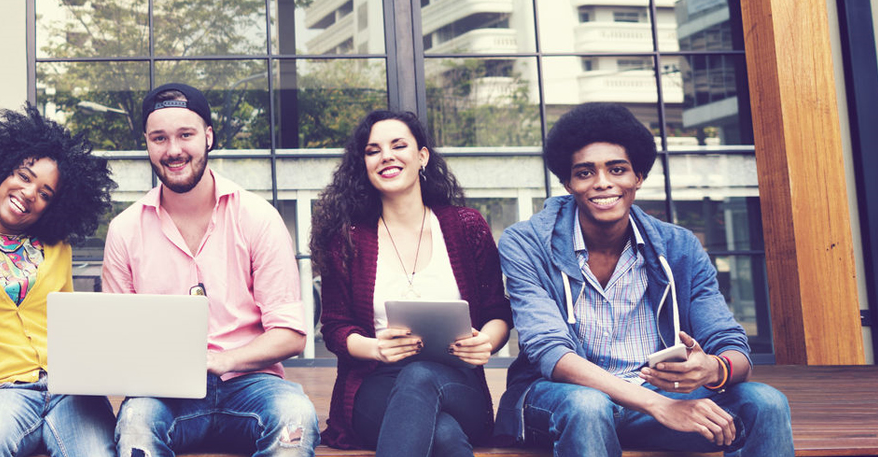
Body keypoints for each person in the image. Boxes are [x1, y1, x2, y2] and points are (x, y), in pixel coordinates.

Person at [496, 103, 793, 456]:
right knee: (588, 407)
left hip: (660, 402)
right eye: (585, 172)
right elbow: (550, 353)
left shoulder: (679, 246)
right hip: (563, 401)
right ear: (567, 183)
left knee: (765, 402)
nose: (603, 182)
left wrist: (712, 369)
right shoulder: (527, 243)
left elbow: (731, 345)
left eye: (617, 169)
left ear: (638, 177)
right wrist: (659, 405)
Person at [103, 83, 319, 456]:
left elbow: (291, 335)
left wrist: (222, 361)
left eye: (185, 135)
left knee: (295, 415)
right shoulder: (124, 230)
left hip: (252, 383)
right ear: (147, 144)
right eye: (159, 138)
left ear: (208, 137)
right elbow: (120, 339)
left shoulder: (258, 218)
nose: (173, 150)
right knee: (136, 422)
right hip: (167, 391)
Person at [310, 111, 511, 456]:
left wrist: (487, 342)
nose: (386, 155)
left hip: (458, 383)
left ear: (422, 156)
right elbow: (334, 327)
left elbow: (498, 311)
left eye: (398, 145)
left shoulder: (466, 227)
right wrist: (374, 347)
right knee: (444, 435)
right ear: (364, 164)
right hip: (375, 384)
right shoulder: (347, 238)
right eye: (373, 150)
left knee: (421, 376)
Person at [0, 103, 118, 457]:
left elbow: (71, 327)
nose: (30, 193)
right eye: (24, 176)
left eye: (46, 193)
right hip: (3, 390)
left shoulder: (57, 246)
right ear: (0, 171)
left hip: (70, 389)